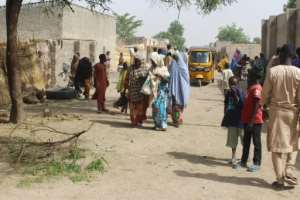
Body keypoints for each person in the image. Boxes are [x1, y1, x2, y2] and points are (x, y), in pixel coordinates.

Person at [262, 44, 300, 190]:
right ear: (293, 57)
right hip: (294, 112)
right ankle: (289, 169)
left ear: (280, 56)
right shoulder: (298, 73)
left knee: (276, 147)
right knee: (294, 143)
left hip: (276, 112)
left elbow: (265, 93)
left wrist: (263, 106)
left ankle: (280, 180)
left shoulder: (273, 72)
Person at [235, 68, 264, 172]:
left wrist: (251, 121)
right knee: (246, 141)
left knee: (256, 142)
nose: (248, 77)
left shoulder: (256, 88)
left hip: (255, 121)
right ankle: (243, 161)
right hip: (247, 120)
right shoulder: (250, 88)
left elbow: (256, 105)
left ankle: (257, 163)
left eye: (250, 75)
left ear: (254, 77)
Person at [221, 76, 245, 165]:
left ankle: (245, 157)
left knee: (244, 139)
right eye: (231, 84)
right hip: (231, 120)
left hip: (241, 121)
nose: (232, 86)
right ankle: (233, 157)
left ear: (238, 84)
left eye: (234, 84)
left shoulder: (241, 92)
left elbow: (242, 104)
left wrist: (236, 94)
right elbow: (226, 104)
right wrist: (225, 116)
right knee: (232, 140)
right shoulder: (228, 93)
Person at [127, 54, 149, 127]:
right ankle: (133, 121)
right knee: (132, 107)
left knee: (140, 107)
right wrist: (126, 89)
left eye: (139, 62)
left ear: (141, 62)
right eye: (136, 61)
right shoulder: (130, 68)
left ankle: (139, 121)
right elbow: (127, 79)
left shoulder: (144, 68)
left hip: (140, 92)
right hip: (132, 91)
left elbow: (148, 79)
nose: (137, 63)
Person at [149, 53, 170, 131]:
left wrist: (160, 76)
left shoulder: (163, 69)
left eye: (153, 61)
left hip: (161, 92)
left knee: (160, 108)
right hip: (154, 92)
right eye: (151, 61)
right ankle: (157, 124)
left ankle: (163, 125)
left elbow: (167, 80)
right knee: (154, 108)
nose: (152, 62)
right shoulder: (152, 68)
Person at [169, 53, 190, 127]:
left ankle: (177, 120)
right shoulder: (181, 66)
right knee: (178, 106)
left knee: (177, 106)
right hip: (179, 91)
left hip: (178, 90)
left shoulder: (182, 67)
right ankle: (178, 119)